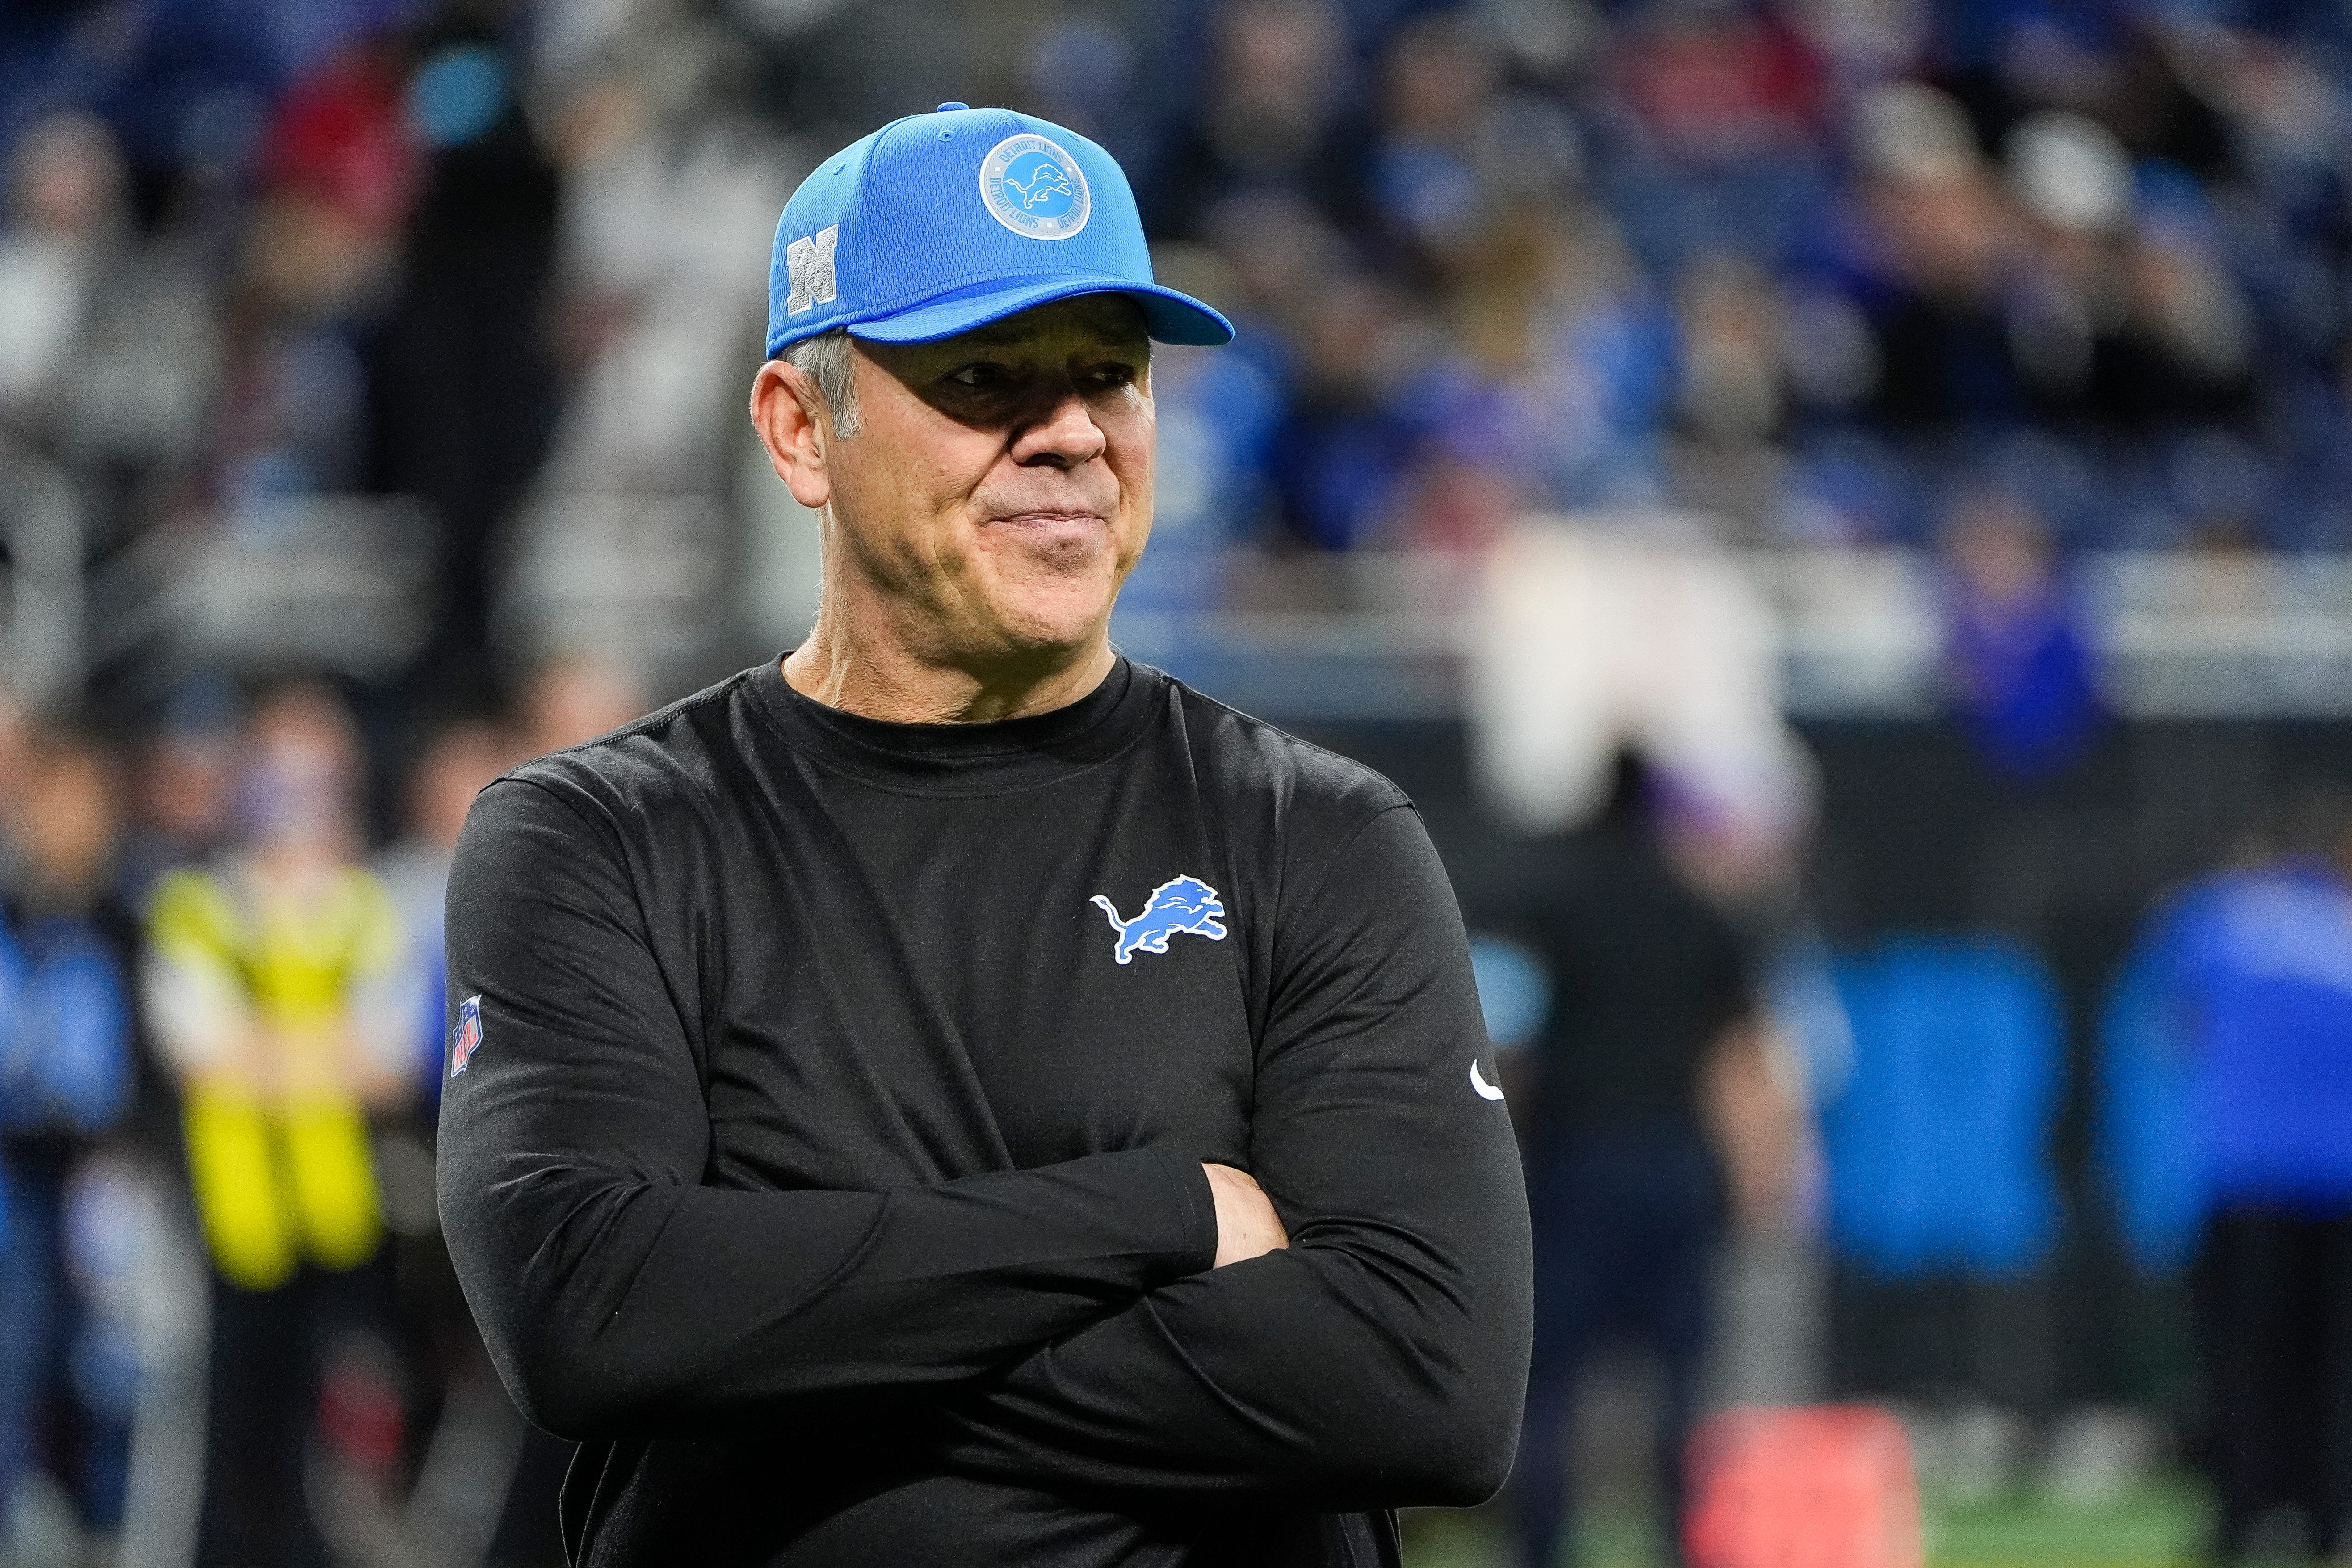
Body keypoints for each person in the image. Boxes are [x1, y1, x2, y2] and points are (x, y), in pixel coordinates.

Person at [436, 103, 1532, 1568]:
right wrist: (1159, 1210)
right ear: (800, 430)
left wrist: (778, 1353)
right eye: (984, 378)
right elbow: (591, 1308)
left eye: (1109, 375)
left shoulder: (1315, 836)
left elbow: (1428, 1385)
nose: (1071, 433)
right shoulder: (604, 838)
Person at [1481, 752, 1802, 1568]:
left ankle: (1540, 1548)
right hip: (1673, 1163)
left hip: (1578, 1162)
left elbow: (1505, 1046)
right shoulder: (1702, 915)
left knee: (1550, 1378)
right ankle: (1676, 1543)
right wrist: (1763, 1170)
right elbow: (1740, 1059)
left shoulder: (1554, 910)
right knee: (1679, 1380)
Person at [142, 681, 416, 1568]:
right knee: (234, 1435)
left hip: (342, 1218)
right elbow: (203, 1052)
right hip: (236, 1218)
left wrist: (268, 1048)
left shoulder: (364, 904)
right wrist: (324, 1051)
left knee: (341, 1440)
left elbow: (391, 1061)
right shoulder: (198, 903)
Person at [2135, 795, 2352, 1562]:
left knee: (2241, 1358)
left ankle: (2243, 1513)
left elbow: (2176, 1024)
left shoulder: (2215, 920)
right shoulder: (2341, 929)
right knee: (2333, 1364)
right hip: (2340, 1179)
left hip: (2248, 1179)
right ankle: (2328, 1517)